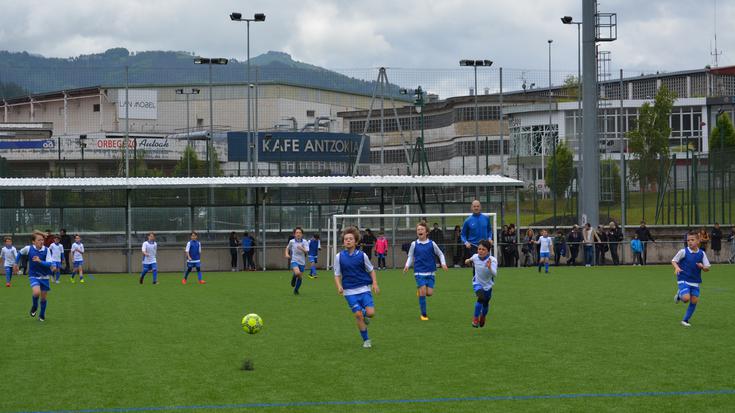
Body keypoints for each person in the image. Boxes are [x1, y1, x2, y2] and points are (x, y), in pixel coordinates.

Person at [333, 226, 379, 348]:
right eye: (346, 239)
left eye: (350, 239)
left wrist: (374, 283)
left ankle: (365, 314)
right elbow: (337, 274)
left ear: (356, 241)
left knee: (371, 313)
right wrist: (339, 286)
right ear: (343, 242)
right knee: (357, 315)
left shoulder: (362, 255)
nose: (348, 241)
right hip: (349, 291)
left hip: (364, 289)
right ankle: (366, 340)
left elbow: (371, 270)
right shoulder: (339, 257)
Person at [404, 223, 448, 320]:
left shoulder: (432, 243)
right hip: (419, 272)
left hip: (431, 272)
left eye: (421, 229)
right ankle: (423, 314)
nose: (419, 231)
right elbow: (410, 256)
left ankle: (420, 291)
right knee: (423, 292)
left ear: (426, 232)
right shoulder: (414, 244)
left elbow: (440, 254)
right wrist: (407, 265)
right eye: (418, 229)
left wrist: (443, 263)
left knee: (429, 293)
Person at [15, 231, 57, 322]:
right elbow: (19, 253)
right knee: (36, 292)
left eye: (42, 240)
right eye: (39, 240)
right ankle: (34, 306)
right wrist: (15, 263)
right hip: (33, 275)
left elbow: (49, 263)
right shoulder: (29, 248)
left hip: (45, 277)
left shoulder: (46, 250)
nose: (41, 241)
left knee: (43, 298)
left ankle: (42, 315)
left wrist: (40, 261)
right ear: (33, 242)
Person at [672, 231, 711, 327]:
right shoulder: (683, 251)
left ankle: (685, 320)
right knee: (686, 299)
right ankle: (679, 295)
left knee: (694, 301)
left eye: (692, 240)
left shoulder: (702, 253)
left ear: (698, 241)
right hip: (683, 278)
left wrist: (702, 267)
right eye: (688, 240)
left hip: (695, 281)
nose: (690, 242)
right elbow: (674, 260)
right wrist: (677, 267)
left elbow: (707, 268)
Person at [464, 239, 497, 328]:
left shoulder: (492, 260)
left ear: (488, 251)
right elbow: (470, 260)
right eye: (479, 249)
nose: (480, 251)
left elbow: (495, 274)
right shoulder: (475, 257)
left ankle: (483, 316)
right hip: (477, 283)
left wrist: (489, 267)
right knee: (480, 298)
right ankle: (475, 318)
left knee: (485, 304)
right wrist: (467, 261)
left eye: (483, 249)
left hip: (488, 285)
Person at [461, 200, 493, 264]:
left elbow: (489, 230)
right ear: (471, 208)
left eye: (477, 206)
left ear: (480, 207)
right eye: (474, 206)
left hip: (485, 246)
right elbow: (463, 234)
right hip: (473, 246)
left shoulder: (486, 218)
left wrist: (489, 238)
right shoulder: (467, 220)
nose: (476, 208)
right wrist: (466, 242)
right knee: (476, 266)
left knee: (486, 265)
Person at [285, 227, 309, 295]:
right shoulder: (291, 241)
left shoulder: (305, 241)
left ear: (302, 234)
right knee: (297, 273)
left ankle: (296, 290)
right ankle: (293, 277)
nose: (298, 234)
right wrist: (286, 254)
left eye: (300, 233)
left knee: (300, 278)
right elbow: (287, 248)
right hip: (294, 260)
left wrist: (302, 248)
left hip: (302, 262)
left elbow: (307, 252)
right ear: (294, 234)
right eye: (297, 233)